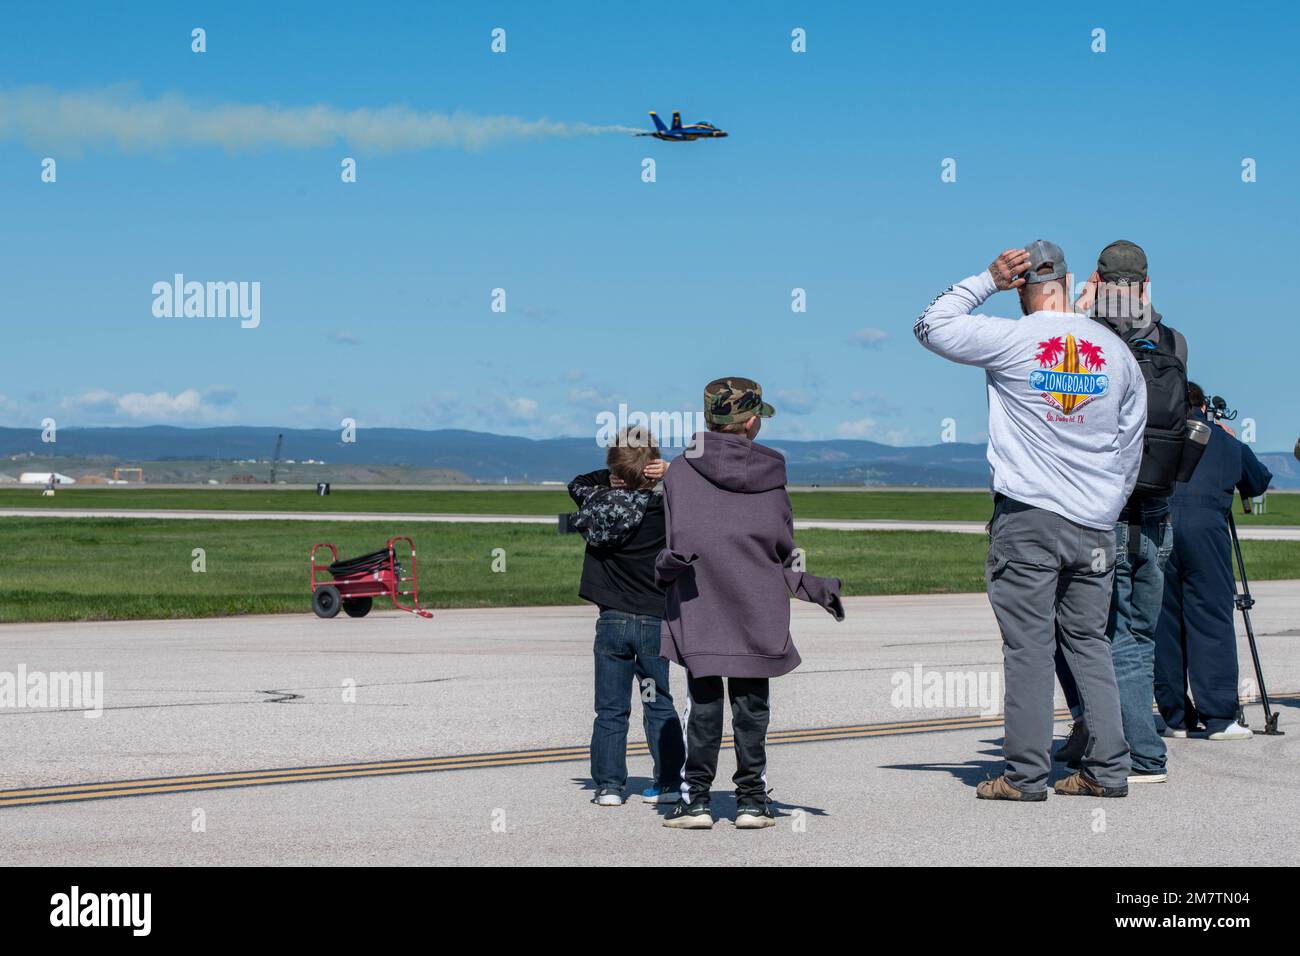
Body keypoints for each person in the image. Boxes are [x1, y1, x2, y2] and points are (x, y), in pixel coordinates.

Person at [914, 242, 1146, 800]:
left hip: (1030, 516)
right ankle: (1109, 769)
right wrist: (1106, 506)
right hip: (1094, 523)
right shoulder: (1115, 352)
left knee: (1028, 649)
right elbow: (1130, 444)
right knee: (1090, 642)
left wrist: (985, 280)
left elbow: (930, 325)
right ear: (1066, 283)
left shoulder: (1014, 338)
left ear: (1024, 289)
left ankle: (1024, 775)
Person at [655, 378, 844, 829]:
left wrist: (664, 572)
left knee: (702, 705)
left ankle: (696, 801)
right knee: (751, 706)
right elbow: (783, 548)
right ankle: (752, 801)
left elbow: (674, 539)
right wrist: (813, 587)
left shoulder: (681, 471)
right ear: (753, 422)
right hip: (758, 606)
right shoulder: (774, 476)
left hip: (699, 604)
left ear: (709, 418)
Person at [1053, 240, 1192, 784]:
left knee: (1097, 631)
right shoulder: (1175, 341)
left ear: (1099, 278)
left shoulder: (1090, 338)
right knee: (1139, 630)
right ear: (1147, 283)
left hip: (1104, 505)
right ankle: (1108, 728)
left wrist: (1082, 307)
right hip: (1157, 505)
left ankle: (1139, 751)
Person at [568, 426, 684, 808]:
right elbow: (697, 491)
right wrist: (669, 473)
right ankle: (667, 783)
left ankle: (609, 786)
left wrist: (614, 476)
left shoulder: (598, 504)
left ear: (614, 471)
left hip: (613, 622)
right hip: (654, 621)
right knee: (657, 702)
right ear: (652, 467)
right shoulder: (667, 509)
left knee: (611, 709)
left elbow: (578, 482)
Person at [1154, 383, 1273, 739]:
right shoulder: (1221, 440)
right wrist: (1228, 440)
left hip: (1160, 526)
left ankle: (1175, 716)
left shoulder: (1160, 433)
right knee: (1211, 619)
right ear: (1204, 406)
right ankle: (1219, 715)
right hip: (1207, 531)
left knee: (1165, 623)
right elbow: (1258, 481)